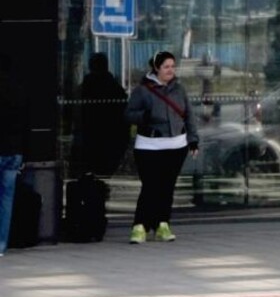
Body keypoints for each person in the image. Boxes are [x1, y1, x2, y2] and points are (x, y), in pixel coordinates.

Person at [125, 50, 198, 245]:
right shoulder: (142, 90)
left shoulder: (179, 89)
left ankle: (162, 224)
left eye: (173, 67)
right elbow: (129, 114)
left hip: (176, 144)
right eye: (166, 67)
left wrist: (193, 140)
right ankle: (140, 225)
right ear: (156, 67)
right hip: (149, 144)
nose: (170, 70)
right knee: (150, 186)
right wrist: (144, 117)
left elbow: (189, 115)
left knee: (167, 187)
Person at [76, 52, 130, 178]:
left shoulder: (83, 88)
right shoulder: (115, 88)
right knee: (104, 174)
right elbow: (124, 115)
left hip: (89, 138)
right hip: (111, 139)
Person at [0, 54, 29, 257]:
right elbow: (26, 126)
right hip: (14, 152)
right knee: (6, 200)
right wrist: (24, 154)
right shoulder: (19, 91)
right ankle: (1, 244)